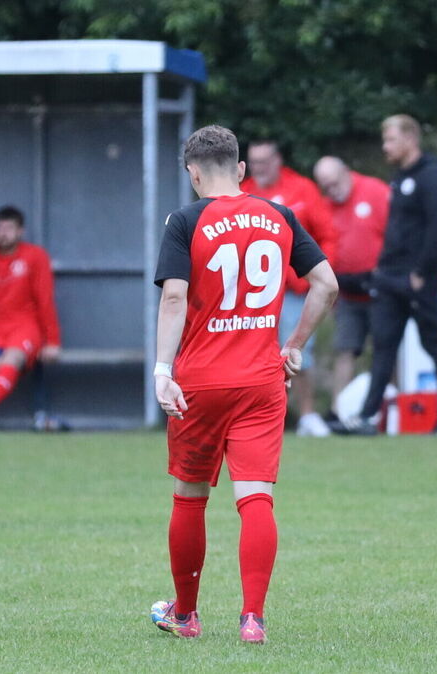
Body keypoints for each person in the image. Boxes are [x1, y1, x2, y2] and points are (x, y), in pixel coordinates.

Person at [149, 125, 338, 643]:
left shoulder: (185, 220)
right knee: (256, 498)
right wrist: (295, 343)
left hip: (201, 381)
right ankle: (252, 618)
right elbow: (326, 284)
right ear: (239, 170)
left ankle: (185, 615)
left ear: (193, 174)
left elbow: (173, 300)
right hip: (261, 380)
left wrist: (162, 371)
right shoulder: (280, 215)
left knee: (190, 497)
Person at [344, 115, 437, 436]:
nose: (385, 146)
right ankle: (368, 417)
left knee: (434, 342)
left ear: (411, 139)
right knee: (383, 346)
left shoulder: (432, 175)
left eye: (391, 140)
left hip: (416, 279)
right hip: (389, 277)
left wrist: (423, 272)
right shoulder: (398, 178)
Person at [240, 140, 337, 436]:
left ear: (278, 159)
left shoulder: (303, 189)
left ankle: (306, 414)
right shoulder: (244, 193)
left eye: (265, 161)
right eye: (254, 162)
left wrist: (314, 277)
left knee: (297, 352)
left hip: (293, 292)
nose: (260, 168)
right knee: (252, 354)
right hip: (254, 296)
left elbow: (327, 235)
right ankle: (258, 416)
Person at [0, 206, 61, 428]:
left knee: (11, 361)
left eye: (9, 228)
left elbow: (45, 300)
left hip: (24, 325)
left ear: (20, 231)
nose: (3, 233)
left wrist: (52, 341)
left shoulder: (35, 256)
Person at [312, 156, 390, 429]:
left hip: (381, 289)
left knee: (385, 350)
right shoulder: (325, 206)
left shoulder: (376, 191)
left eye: (334, 183)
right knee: (344, 350)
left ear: (346, 172)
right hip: (347, 292)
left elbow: (396, 234)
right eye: (326, 187)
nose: (332, 191)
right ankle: (338, 411)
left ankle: (391, 411)